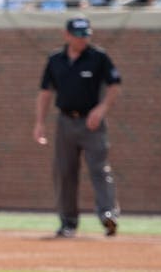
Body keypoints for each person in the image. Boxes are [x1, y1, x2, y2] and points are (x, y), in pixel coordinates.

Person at [33, 17, 121, 239]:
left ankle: (108, 215)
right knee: (64, 172)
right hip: (65, 122)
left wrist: (101, 109)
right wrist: (40, 122)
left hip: (92, 124)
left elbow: (114, 85)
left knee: (99, 169)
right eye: (79, 35)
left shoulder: (98, 57)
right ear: (67, 35)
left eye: (86, 35)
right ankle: (68, 222)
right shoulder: (55, 60)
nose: (83, 39)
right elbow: (45, 92)